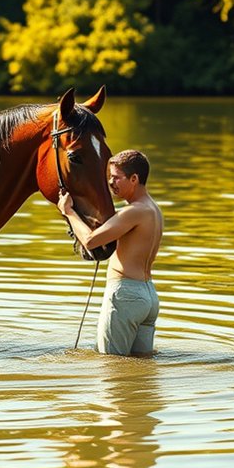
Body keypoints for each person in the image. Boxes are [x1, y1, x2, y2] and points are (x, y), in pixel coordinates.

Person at [57, 149, 163, 356]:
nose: (111, 182)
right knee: (140, 364)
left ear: (134, 179)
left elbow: (90, 240)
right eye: (110, 177)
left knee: (111, 364)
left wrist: (68, 212)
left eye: (116, 178)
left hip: (125, 295)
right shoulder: (153, 209)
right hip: (148, 295)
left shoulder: (134, 212)